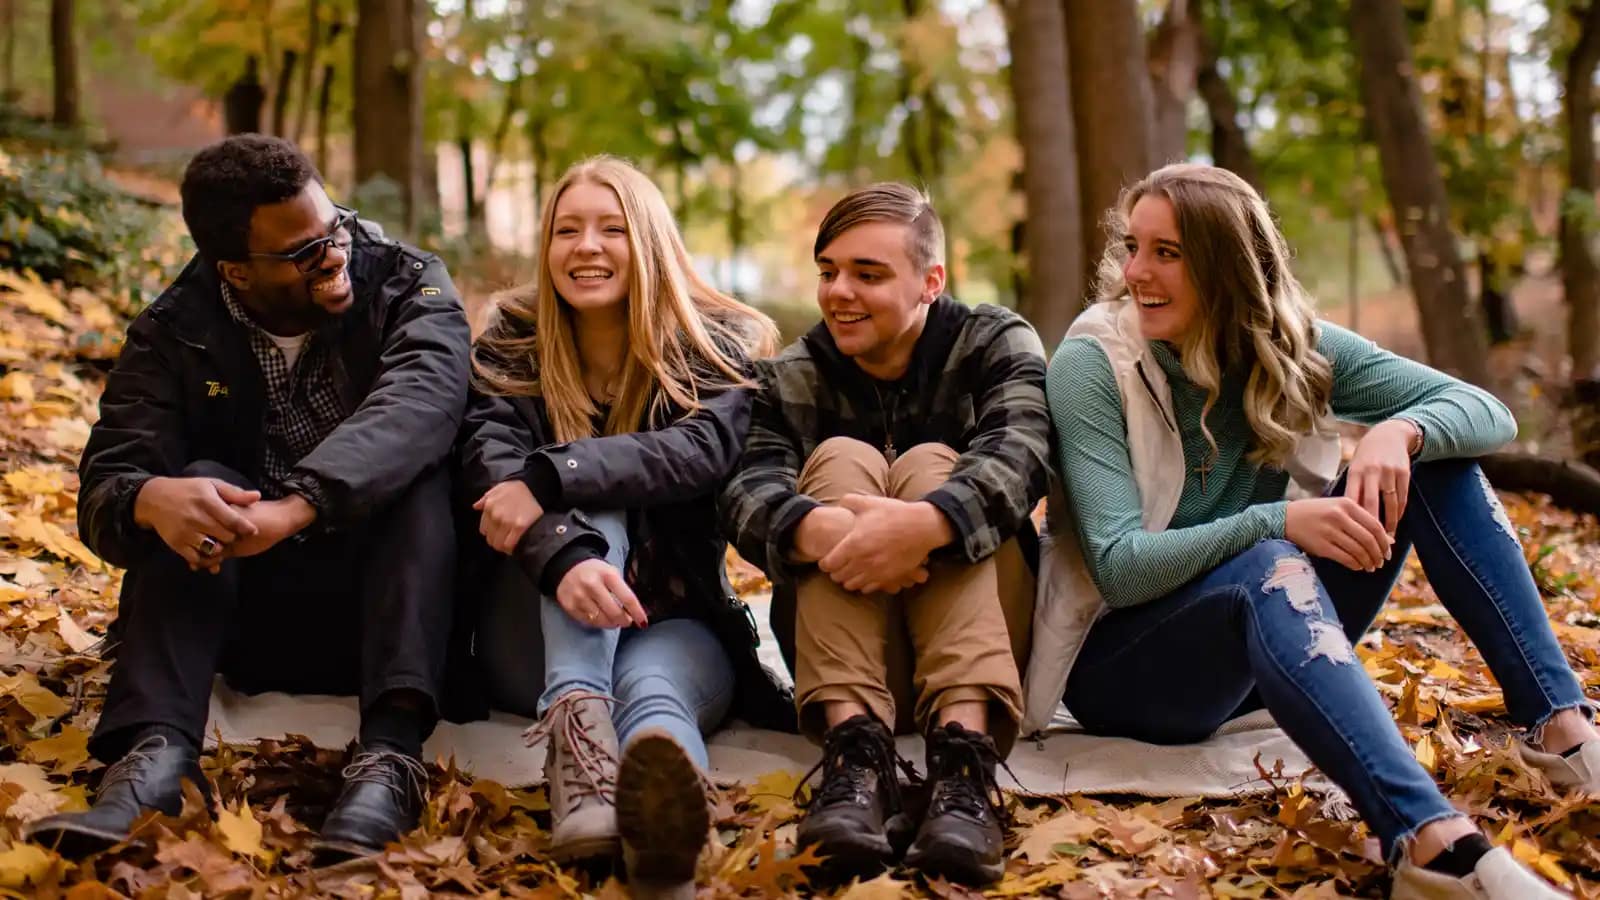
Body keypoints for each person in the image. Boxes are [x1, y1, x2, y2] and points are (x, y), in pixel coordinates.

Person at [1042, 163, 1599, 900]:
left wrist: (1396, 432)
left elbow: (1483, 411)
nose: (1135, 272)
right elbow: (1118, 566)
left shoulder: (1290, 343)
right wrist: (1276, 519)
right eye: (1133, 246)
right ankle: (1431, 846)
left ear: (1230, 267)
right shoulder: (1093, 364)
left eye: (1166, 253)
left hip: (1259, 646)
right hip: (1128, 668)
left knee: (1437, 462)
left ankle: (1563, 731)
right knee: (1268, 556)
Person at [25, 135, 470, 860]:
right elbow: (107, 481)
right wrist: (150, 500)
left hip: (396, 618)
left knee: (412, 475)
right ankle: (154, 759)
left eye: (337, 228)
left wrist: (296, 505)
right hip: (241, 616)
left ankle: (390, 760)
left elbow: (425, 402)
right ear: (234, 269)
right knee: (190, 484)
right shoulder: (175, 329)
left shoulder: (407, 283)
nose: (334, 255)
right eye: (303, 252)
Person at [461, 155, 789, 894]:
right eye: (567, 229)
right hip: (535, 633)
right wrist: (565, 557)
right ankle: (576, 736)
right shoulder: (511, 342)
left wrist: (548, 474)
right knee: (588, 503)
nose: (588, 247)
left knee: (652, 693)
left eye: (612, 229)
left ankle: (666, 827)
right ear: (546, 249)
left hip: (674, 619)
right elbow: (487, 461)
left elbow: (697, 452)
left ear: (649, 242)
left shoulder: (715, 348)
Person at [719, 183, 1051, 885]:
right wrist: (822, 528)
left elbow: (1026, 452)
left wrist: (925, 527)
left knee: (935, 463)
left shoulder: (994, 340)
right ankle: (853, 759)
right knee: (839, 461)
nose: (839, 291)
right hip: (850, 655)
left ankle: (963, 770)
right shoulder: (794, 374)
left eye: (868, 274)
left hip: (981, 644)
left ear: (932, 281)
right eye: (828, 271)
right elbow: (746, 491)